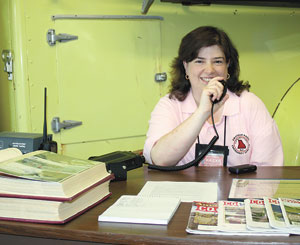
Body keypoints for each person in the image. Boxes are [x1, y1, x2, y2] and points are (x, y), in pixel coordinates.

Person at [143, 26, 283, 167]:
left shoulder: (250, 104)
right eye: (199, 61)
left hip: (240, 189)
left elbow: (269, 170)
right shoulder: (169, 105)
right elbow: (159, 159)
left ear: (228, 65)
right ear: (186, 66)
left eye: (217, 61)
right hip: (184, 189)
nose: (210, 70)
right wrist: (202, 112)